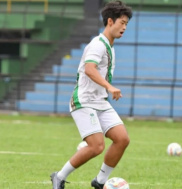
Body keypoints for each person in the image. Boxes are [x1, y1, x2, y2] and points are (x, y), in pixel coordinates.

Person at [51, 1, 132, 188]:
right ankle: (59, 176)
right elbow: (89, 69)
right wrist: (110, 87)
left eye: (127, 24)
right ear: (110, 21)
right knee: (96, 146)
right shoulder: (98, 44)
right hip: (84, 100)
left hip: (99, 101)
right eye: (122, 22)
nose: (124, 27)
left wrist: (106, 90)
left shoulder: (110, 47)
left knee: (122, 139)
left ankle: (100, 182)